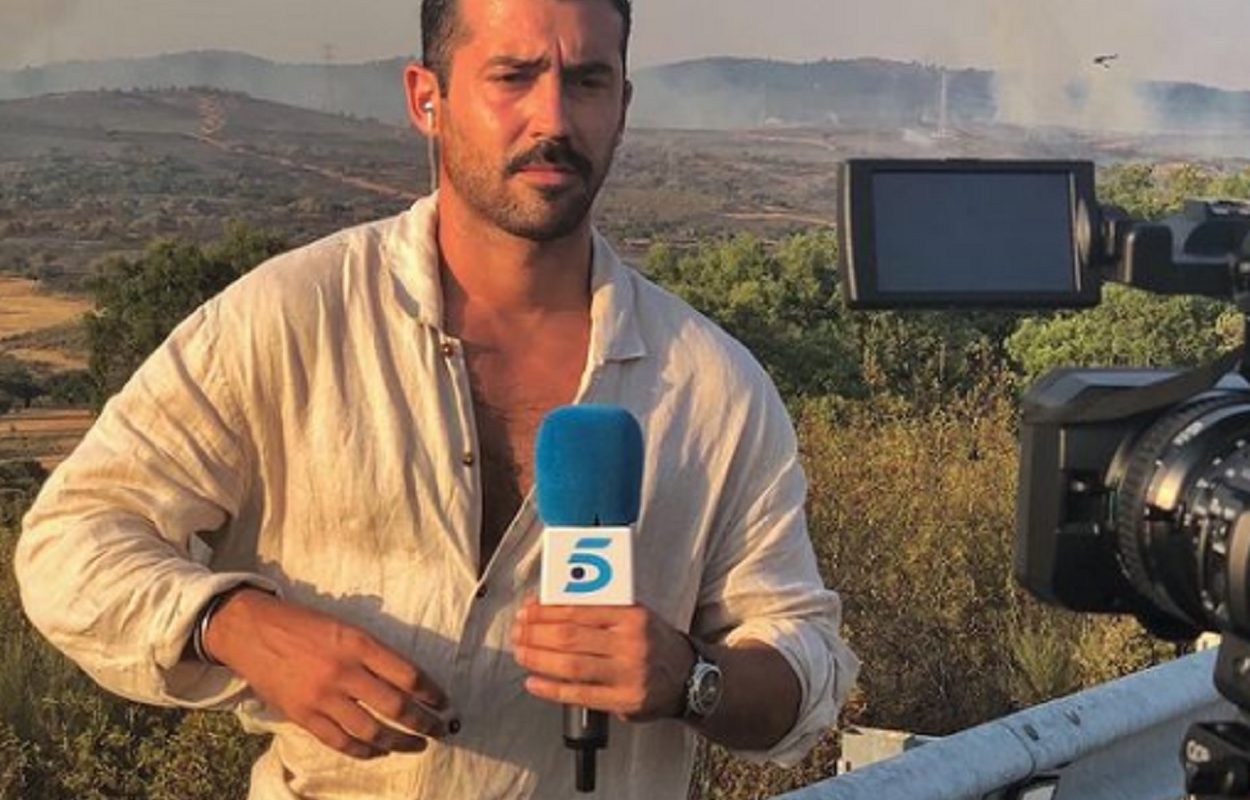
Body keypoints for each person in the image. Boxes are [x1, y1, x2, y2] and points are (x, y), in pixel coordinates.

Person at [15, 0, 860, 797]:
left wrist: (692, 678)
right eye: (512, 76)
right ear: (428, 97)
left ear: (623, 106)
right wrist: (234, 624)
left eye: (587, 80)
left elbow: (803, 661)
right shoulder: (290, 321)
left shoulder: (715, 388)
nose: (553, 119)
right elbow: (72, 537)